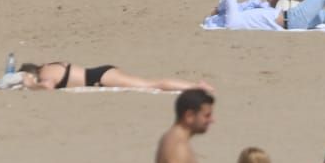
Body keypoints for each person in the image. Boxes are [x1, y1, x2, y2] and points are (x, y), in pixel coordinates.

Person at [17, 60, 213, 93]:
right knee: (151, 83)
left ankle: (197, 87)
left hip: (101, 78)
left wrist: (31, 85)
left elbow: (48, 86)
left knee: (151, 84)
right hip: (100, 73)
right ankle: (195, 86)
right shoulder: (50, 65)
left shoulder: (44, 74)